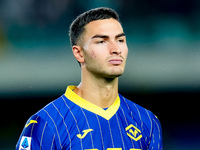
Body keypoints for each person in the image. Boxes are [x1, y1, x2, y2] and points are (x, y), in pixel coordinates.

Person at [16, 7, 163, 150]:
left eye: (120, 40)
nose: (116, 49)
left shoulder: (147, 121)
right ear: (79, 53)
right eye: (102, 41)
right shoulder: (46, 123)